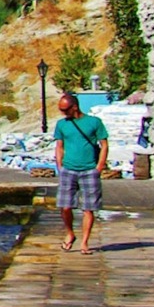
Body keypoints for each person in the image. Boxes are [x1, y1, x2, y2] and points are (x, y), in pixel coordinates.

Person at [52, 94, 110, 254]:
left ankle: (84, 242)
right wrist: (59, 165)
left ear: (75, 107)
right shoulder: (61, 125)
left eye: (65, 109)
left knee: (88, 208)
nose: (63, 113)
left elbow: (104, 144)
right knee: (65, 207)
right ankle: (70, 233)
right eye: (60, 110)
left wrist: (99, 166)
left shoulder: (94, 122)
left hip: (89, 169)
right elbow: (59, 146)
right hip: (68, 169)